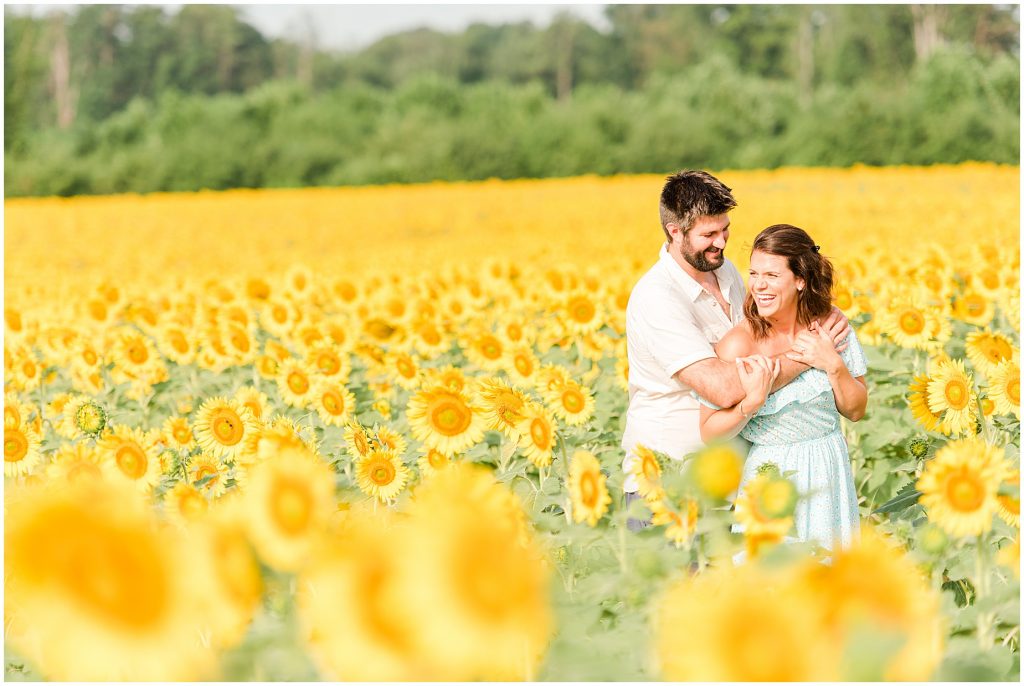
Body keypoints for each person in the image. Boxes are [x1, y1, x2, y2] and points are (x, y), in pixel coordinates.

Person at [621, 170, 850, 530]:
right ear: (675, 231)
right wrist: (809, 352)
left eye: (724, 229)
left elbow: (763, 337)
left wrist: (817, 315)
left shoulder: (725, 271)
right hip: (671, 487)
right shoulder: (656, 298)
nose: (721, 242)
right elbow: (723, 387)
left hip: (730, 484)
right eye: (708, 234)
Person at [698, 224, 868, 551]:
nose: (759, 285)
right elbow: (709, 432)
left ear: (801, 280)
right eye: (754, 273)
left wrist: (832, 363)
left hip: (828, 467)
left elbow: (857, 409)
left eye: (772, 276)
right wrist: (750, 403)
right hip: (769, 475)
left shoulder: (831, 326)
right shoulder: (739, 343)